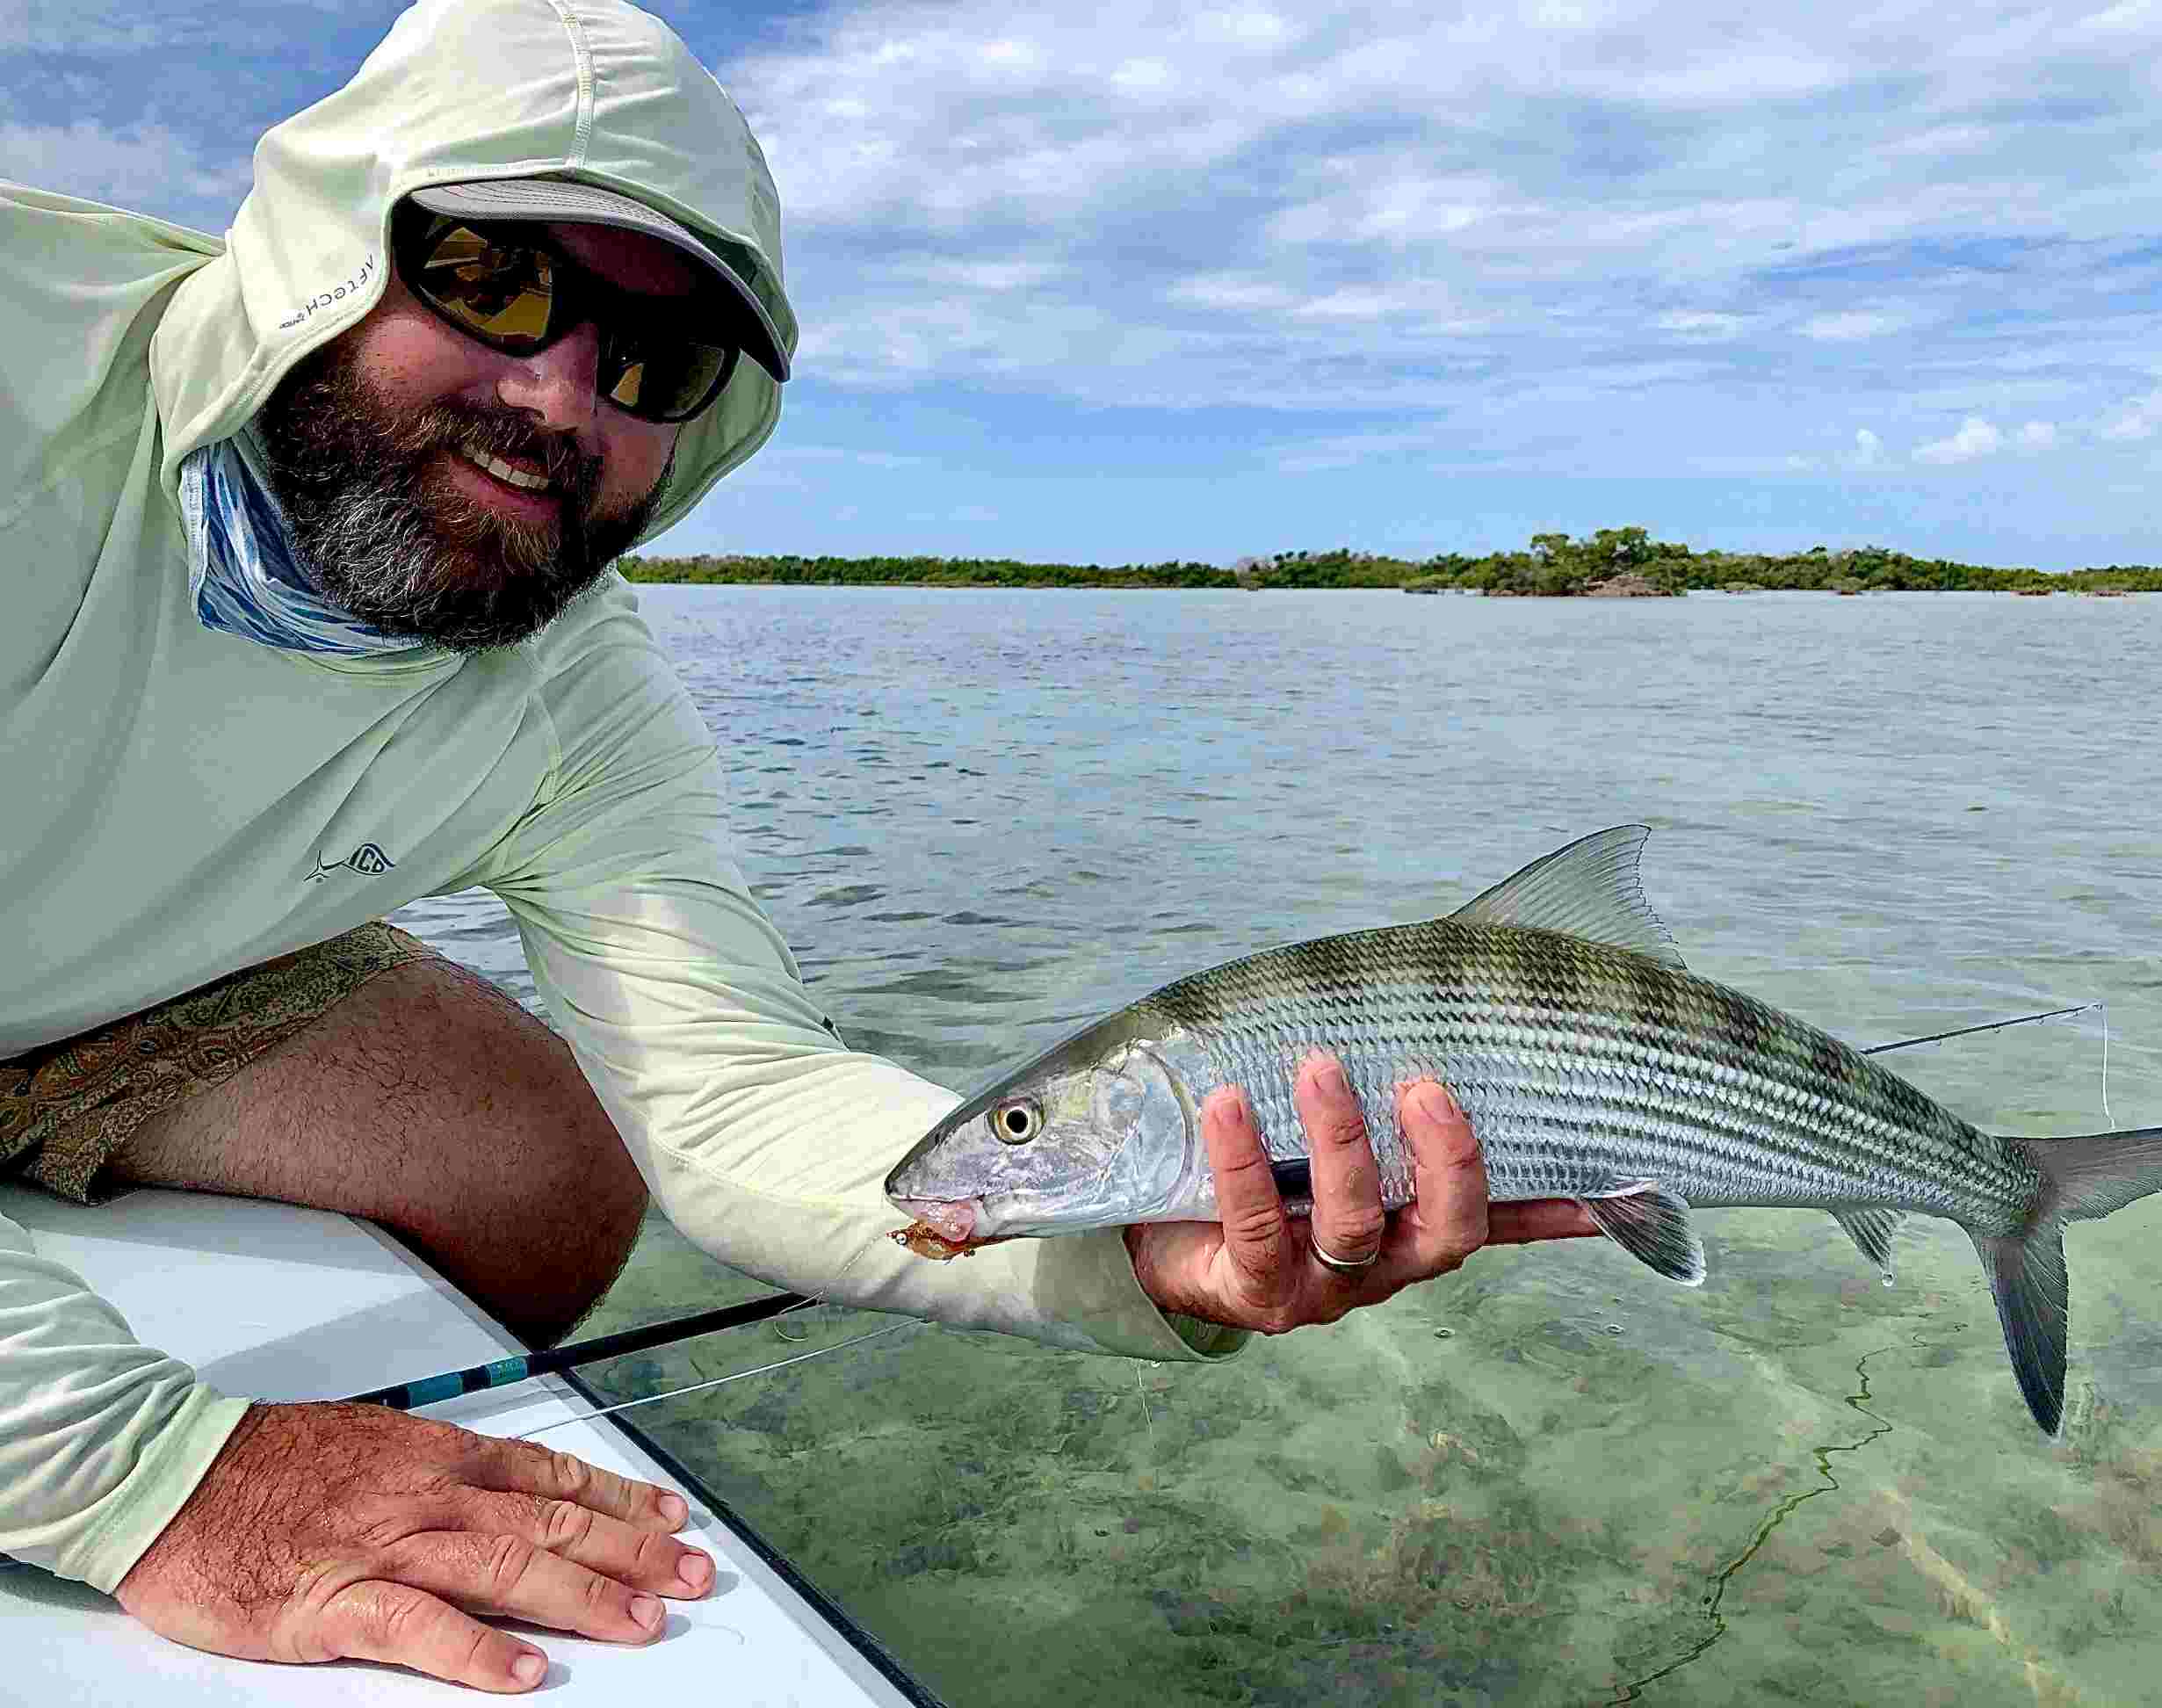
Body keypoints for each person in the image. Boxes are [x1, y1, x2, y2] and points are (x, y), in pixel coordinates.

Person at [0, 0, 1595, 1691]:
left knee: (546, 1176)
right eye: (492, 277)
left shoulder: (580, 694)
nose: (558, 397)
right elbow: (149, 1483)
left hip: (89, 990)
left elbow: (736, 1093)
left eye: (658, 363)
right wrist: (146, 1477)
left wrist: (1125, 1242)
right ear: (329, 240)